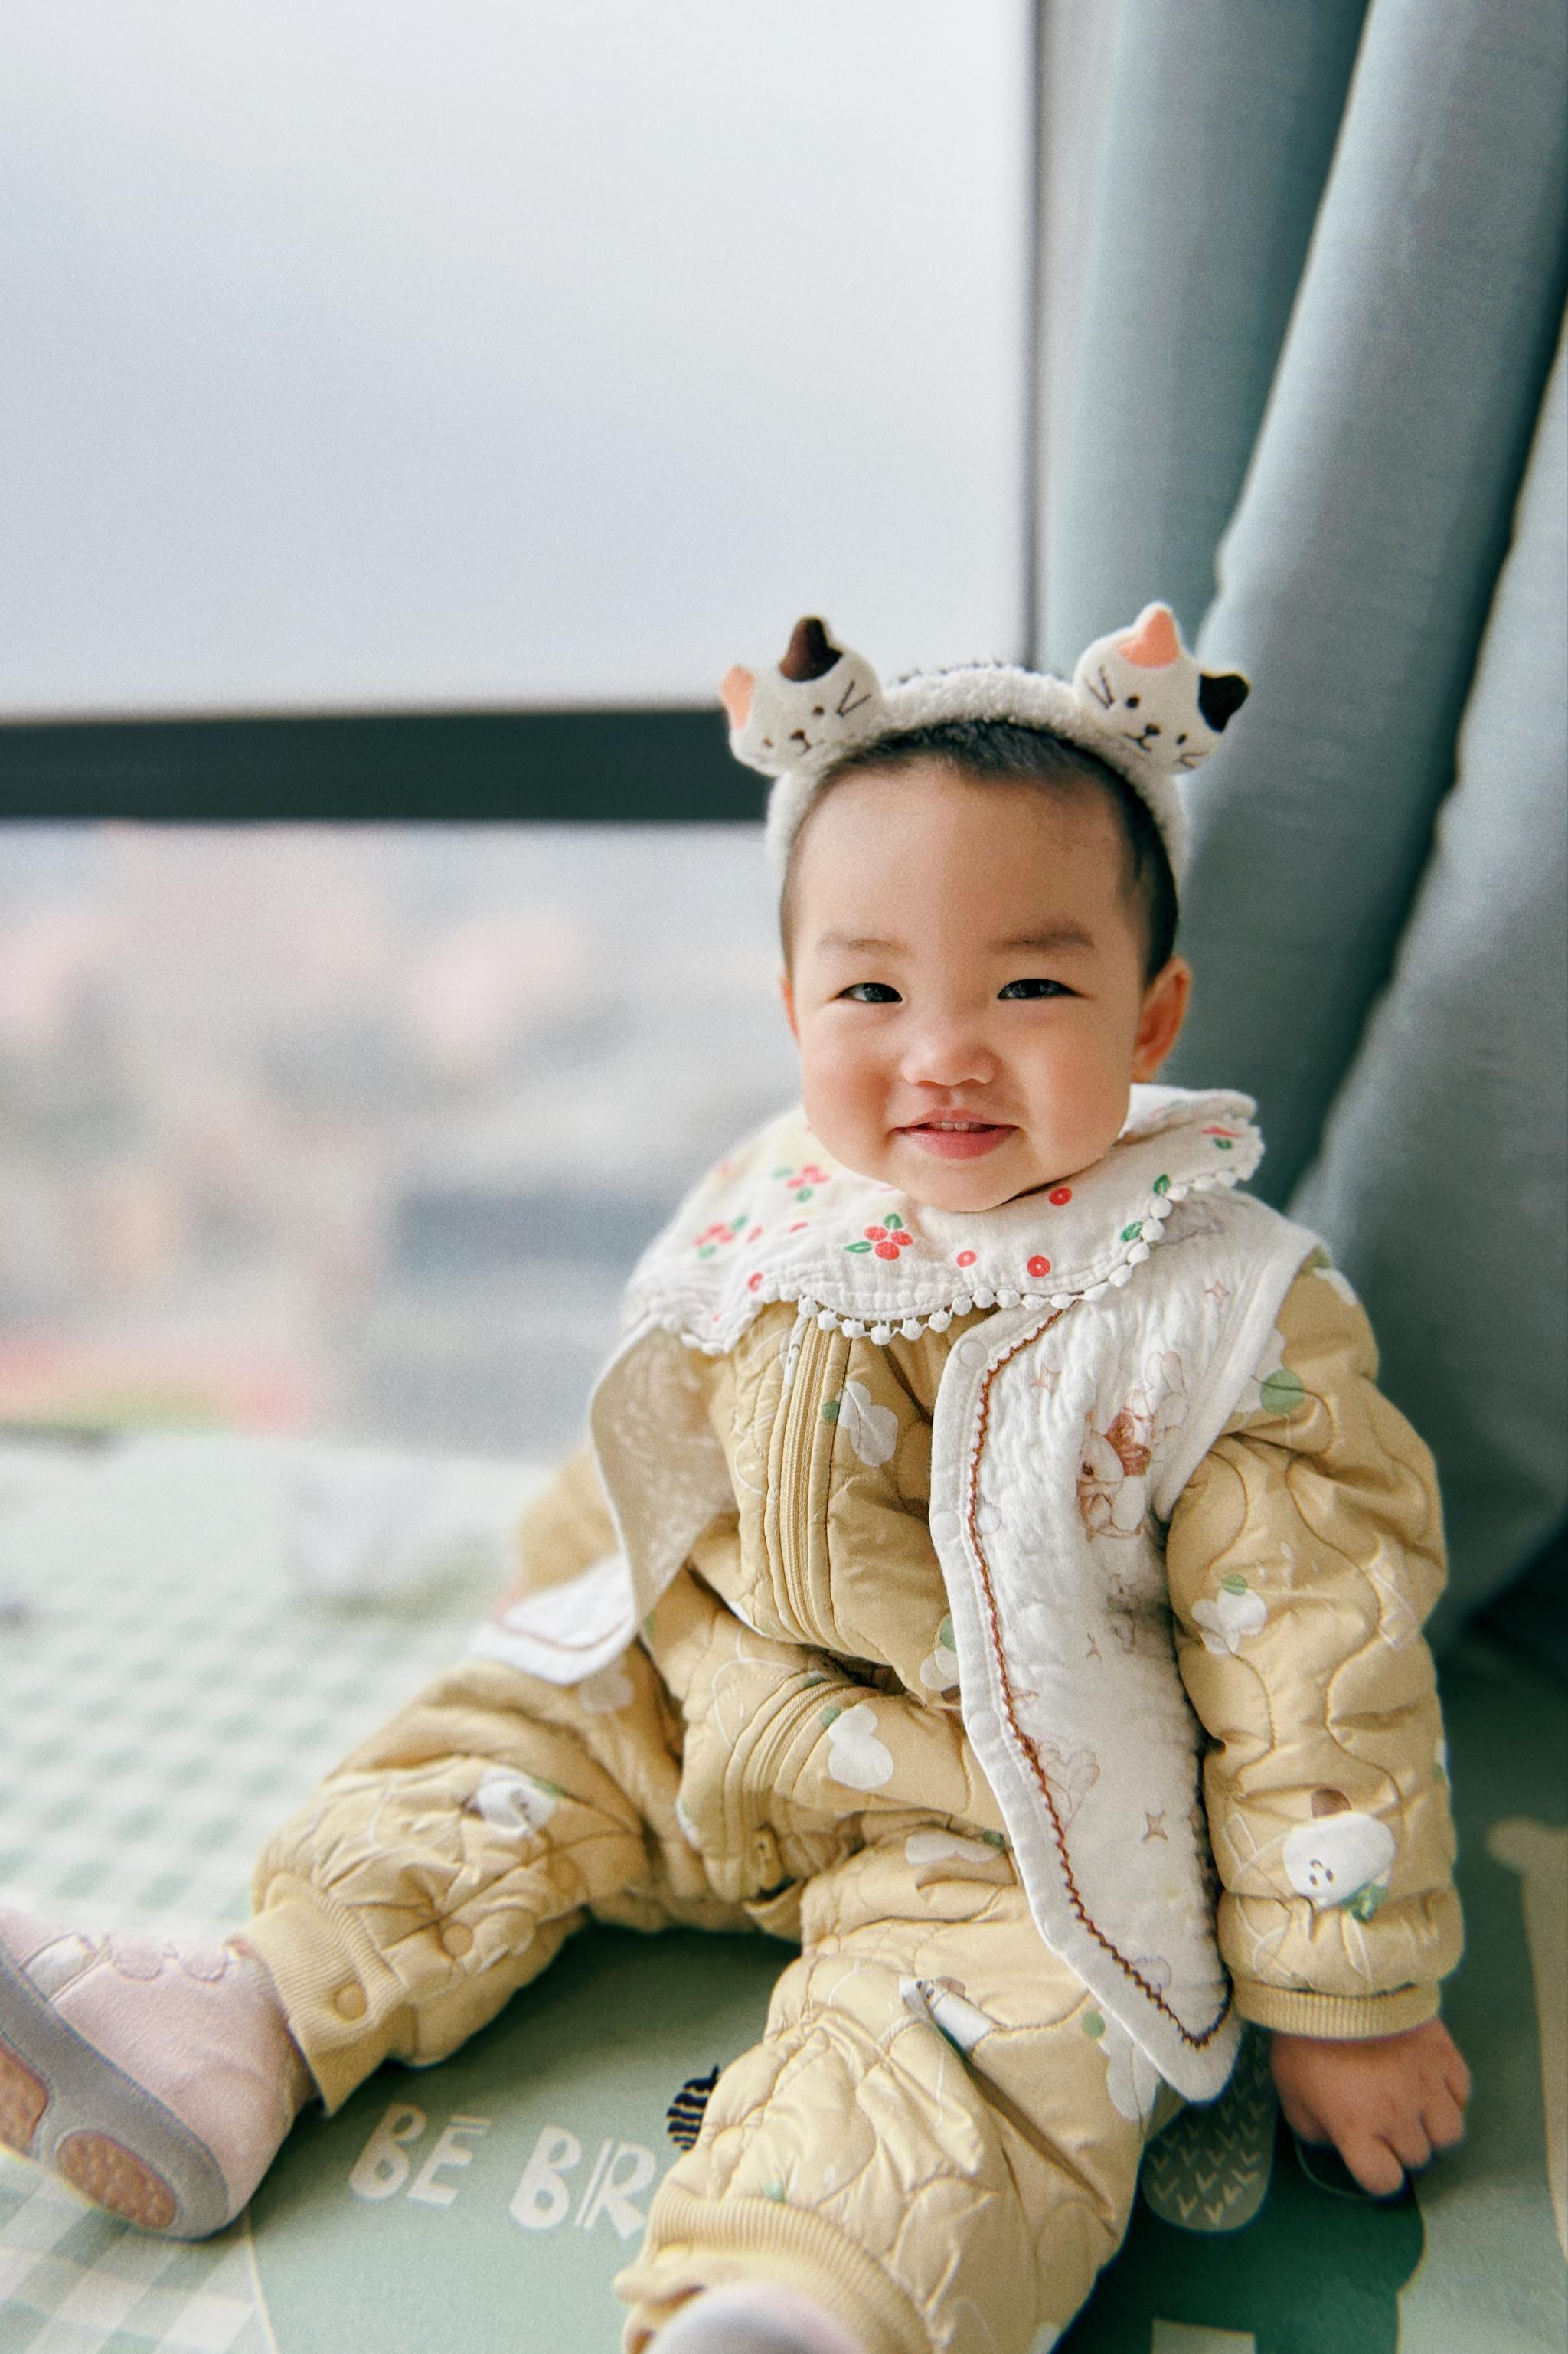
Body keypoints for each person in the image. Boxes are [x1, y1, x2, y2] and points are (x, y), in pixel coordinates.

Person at [0, 606, 1472, 2354]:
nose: (940, 1046)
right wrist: (552, 1600)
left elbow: (1318, 1646)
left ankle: (798, 2299)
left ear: (1149, 1014)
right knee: (478, 1764)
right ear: (791, 1007)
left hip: (999, 1802)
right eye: (872, 989)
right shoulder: (771, 1189)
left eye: (1028, 985)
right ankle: (254, 2017)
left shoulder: (1218, 1302)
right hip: (700, 1702)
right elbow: (651, 1418)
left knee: (986, 2040)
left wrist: (1344, 1986)